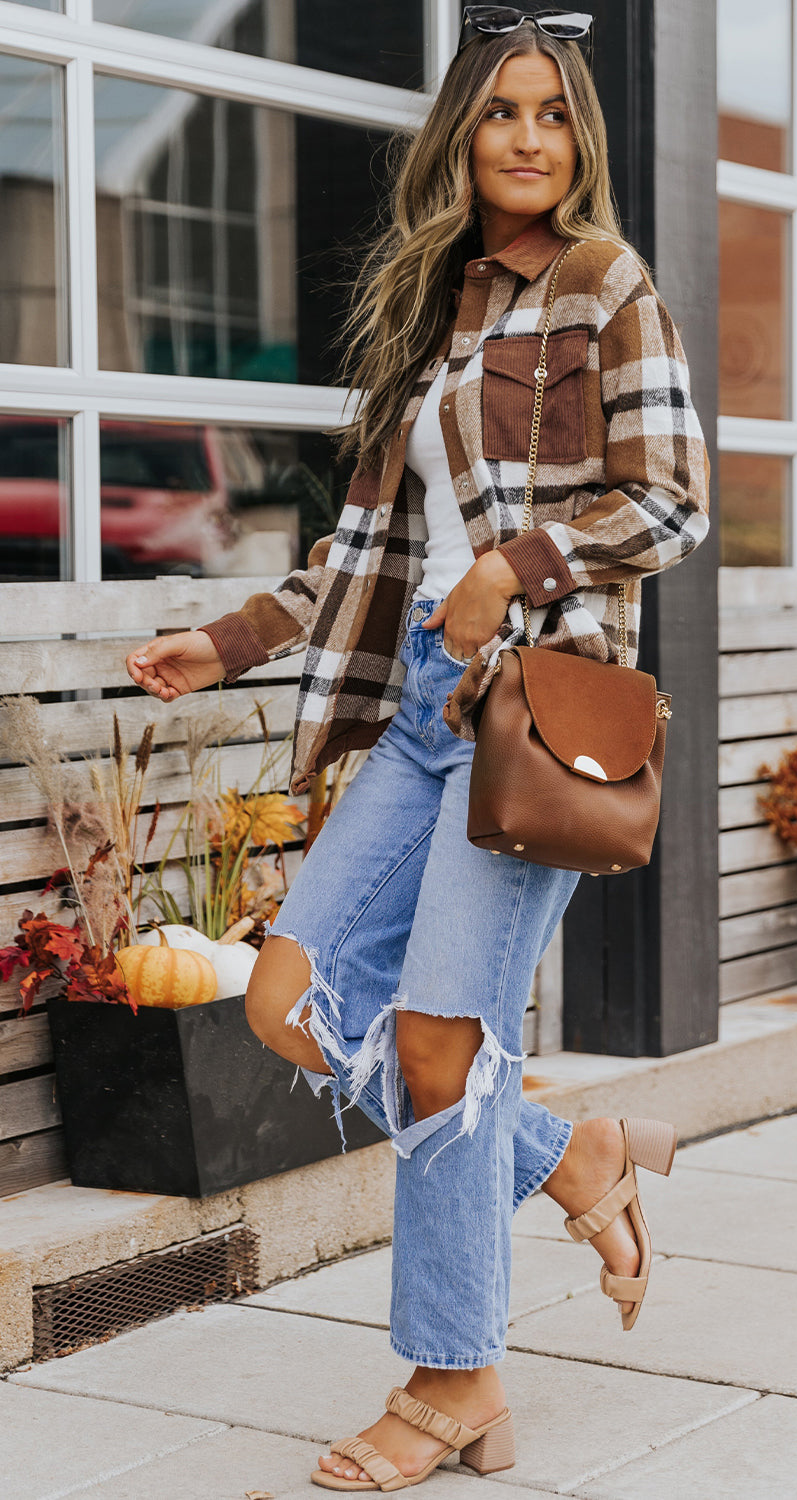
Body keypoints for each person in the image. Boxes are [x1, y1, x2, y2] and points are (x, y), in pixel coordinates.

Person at [126, 8, 709, 1492]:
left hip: (531, 710)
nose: (527, 136)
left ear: (578, 140)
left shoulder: (604, 289)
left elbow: (671, 501)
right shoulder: (431, 306)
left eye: (553, 114)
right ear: (459, 134)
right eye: (501, 111)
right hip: (415, 706)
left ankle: (453, 1381)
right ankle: (572, 1159)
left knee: (443, 1051)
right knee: (289, 998)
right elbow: (372, 550)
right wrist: (236, 637)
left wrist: (519, 563)